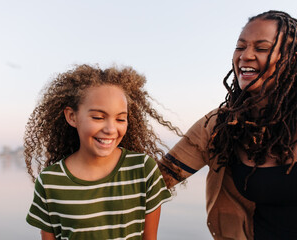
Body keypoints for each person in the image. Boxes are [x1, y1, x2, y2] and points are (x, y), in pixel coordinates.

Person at [158, 10, 297, 240]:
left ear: (292, 58)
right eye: (240, 46)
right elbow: (156, 182)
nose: (246, 56)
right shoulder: (219, 126)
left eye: (261, 48)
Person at [24, 64, 178, 239]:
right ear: (72, 116)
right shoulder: (50, 182)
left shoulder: (143, 169)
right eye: (98, 117)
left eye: (121, 119)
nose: (111, 129)